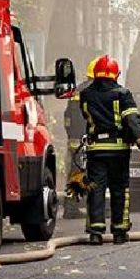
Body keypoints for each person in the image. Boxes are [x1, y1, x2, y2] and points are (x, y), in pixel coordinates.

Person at [79, 55, 140, 245]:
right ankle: (120, 232)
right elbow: (132, 120)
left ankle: (95, 232)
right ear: (116, 74)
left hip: (95, 150)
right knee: (120, 190)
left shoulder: (86, 94)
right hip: (119, 150)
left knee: (96, 189)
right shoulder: (122, 94)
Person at [62, 57, 100, 219]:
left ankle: (70, 207)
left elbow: (67, 117)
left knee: (76, 172)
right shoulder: (98, 90)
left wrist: (72, 136)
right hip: (92, 139)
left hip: (75, 140)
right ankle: (97, 209)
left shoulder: (77, 91)